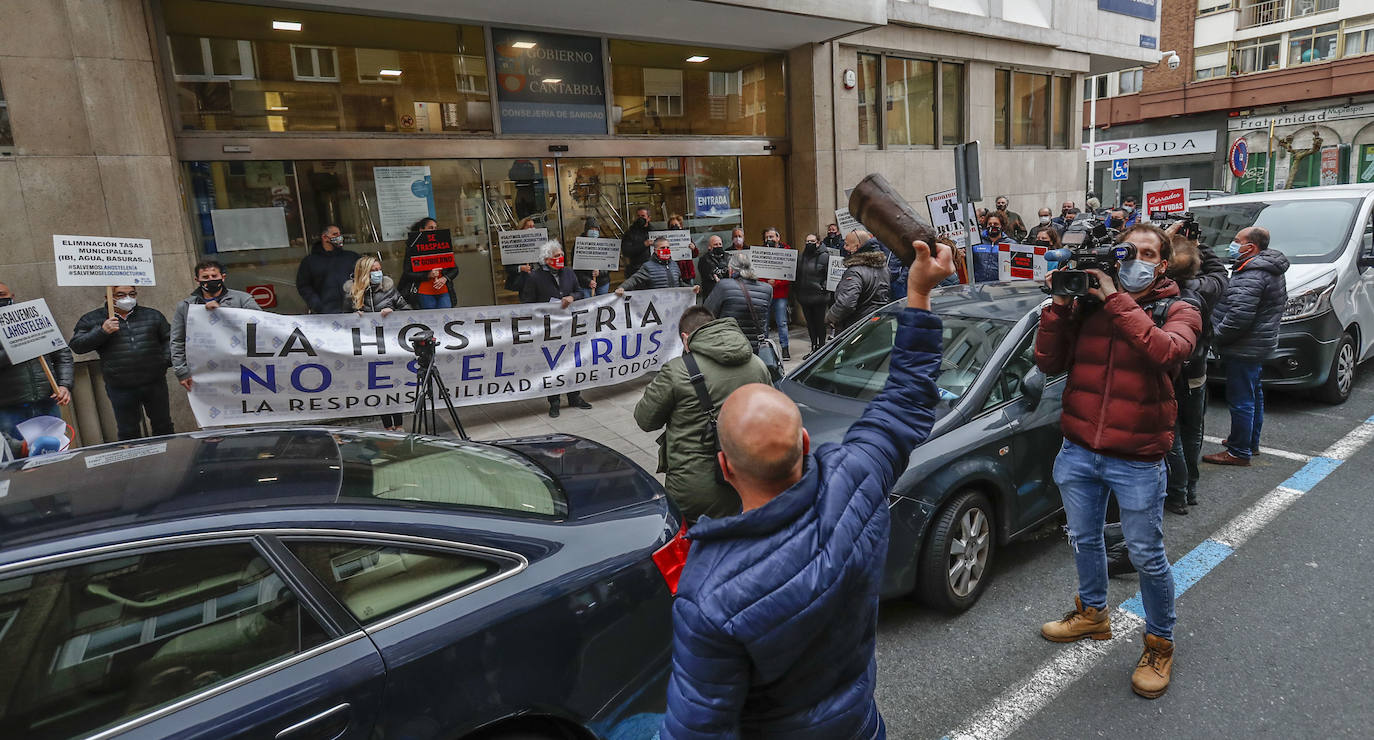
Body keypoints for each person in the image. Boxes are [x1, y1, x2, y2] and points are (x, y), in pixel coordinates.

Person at [659, 241, 952, 739]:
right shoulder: (853, 478)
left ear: (724, 467)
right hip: (859, 723)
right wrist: (918, 293)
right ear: (804, 442)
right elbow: (905, 402)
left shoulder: (709, 594)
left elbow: (696, 730)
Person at [1034, 223, 1200, 699]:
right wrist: (1060, 307)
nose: (1136, 260)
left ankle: (1159, 643)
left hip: (1138, 459)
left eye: (1148, 253)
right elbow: (1048, 362)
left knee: (1146, 555)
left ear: (1162, 264)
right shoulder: (1089, 307)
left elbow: (1166, 351)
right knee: (1084, 539)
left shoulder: (1179, 308)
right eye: (1129, 251)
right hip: (1080, 448)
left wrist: (1114, 300)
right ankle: (1092, 614)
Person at [634, 306, 772, 522]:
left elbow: (645, 419)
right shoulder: (757, 364)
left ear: (685, 338)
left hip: (692, 488)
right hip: (745, 479)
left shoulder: (677, 371)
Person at [1203, 226, 1288, 467]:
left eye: (1237, 240)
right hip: (1257, 343)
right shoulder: (1269, 269)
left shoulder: (1252, 273)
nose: (1233, 244)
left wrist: (1215, 336)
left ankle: (1238, 451)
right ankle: (1249, 442)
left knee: (1241, 399)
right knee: (1254, 393)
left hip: (1244, 346)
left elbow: (1239, 316)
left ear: (1251, 247)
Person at [1164, 234, 1228, 512]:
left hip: (1170, 372)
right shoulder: (1206, 288)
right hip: (1197, 371)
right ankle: (1189, 487)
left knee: (1173, 434)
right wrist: (1199, 244)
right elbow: (1219, 273)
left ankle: (1176, 492)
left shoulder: (1160, 293)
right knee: (1193, 431)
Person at [69, 285, 173, 440]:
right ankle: (135, 463)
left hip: (154, 382)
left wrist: (163, 362)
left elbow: (170, 340)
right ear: (108, 298)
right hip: (120, 385)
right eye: (121, 295)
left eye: (131, 294)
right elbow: (77, 345)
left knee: (163, 425)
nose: (127, 298)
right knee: (128, 430)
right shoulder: (92, 319)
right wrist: (102, 331)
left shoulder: (152, 315)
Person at [521, 241, 593, 418]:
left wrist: (571, 297)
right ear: (546, 259)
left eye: (561, 255)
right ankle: (554, 401)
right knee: (552, 365)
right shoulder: (535, 277)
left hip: (569, 326)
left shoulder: (569, 272)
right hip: (548, 329)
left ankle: (574, 397)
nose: (560, 258)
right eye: (556, 256)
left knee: (572, 361)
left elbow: (579, 292)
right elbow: (527, 303)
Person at [0, 282, 74, 445]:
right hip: (9, 408)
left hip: (46, 402)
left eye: (2, 295)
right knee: (18, 462)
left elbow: (62, 354)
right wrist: (13, 350)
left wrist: (64, 385)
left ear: (12, 296)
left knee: (54, 452)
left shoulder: (36, 318)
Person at [172, 261, 261, 391]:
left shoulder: (243, 299)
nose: (211, 280)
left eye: (214, 276)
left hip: (241, 365)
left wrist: (222, 311)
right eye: (206, 277)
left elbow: (261, 325)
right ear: (197, 280)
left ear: (223, 277)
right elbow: (177, 340)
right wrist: (181, 371)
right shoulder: (185, 306)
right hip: (204, 370)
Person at [344, 256, 410, 430]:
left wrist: (393, 311)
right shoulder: (352, 294)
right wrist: (352, 317)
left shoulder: (389, 290)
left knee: (393, 384)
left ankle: (399, 425)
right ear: (363, 273)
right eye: (373, 270)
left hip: (390, 346)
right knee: (378, 387)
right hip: (368, 349)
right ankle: (388, 426)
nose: (377, 273)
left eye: (379, 269)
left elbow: (409, 312)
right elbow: (340, 321)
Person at [704, 252, 772, 352]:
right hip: (757, 350)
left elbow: (707, 313)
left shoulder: (723, 286)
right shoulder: (767, 289)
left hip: (730, 347)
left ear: (731, 269)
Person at [826, 229, 891, 334]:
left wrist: (831, 317)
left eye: (847, 245)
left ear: (857, 247)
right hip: (879, 325)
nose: (844, 247)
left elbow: (846, 304)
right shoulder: (884, 267)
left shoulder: (854, 272)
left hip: (858, 330)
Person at [296, 224, 360, 314]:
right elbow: (304, 286)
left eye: (340, 234)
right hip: (325, 314)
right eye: (335, 234)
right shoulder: (310, 262)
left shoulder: (352, 257)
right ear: (325, 238)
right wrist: (316, 304)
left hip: (353, 312)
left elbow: (363, 278)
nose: (339, 237)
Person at [400, 217, 459, 309]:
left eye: (435, 228)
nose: (434, 230)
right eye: (431, 228)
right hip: (424, 292)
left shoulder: (442, 246)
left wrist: (445, 278)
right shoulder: (412, 248)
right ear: (421, 229)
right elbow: (407, 273)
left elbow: (454, 269)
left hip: (444, 291)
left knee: (446, 317)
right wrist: (427, 275)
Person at [793, 233, 834, 356]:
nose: (808, 244)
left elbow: (830, 275)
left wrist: (824, 287)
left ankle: (821, 348)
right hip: (805, 297)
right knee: (810, 324)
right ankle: (813, 347)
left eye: (811, 241)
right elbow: (797, 275)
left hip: (819, 297)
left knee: (819, 324)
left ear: (818, 242)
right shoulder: (801, 257)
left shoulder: (825, 257)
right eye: (807, 241)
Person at [758, 227, 795, 360]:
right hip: (765, 293)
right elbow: (757, 272)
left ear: (778, 238)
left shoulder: (786, 252)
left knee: (782, 322)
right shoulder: (761, 252)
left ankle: (785, 349)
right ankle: (766, 350)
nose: (769, 239)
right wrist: (766, 282)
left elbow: (789, 274)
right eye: (767, 237)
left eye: (772, 237)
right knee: (764, 323)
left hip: (780, 294)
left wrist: (776, 282)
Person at [618, 238, 689, 292]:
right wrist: (622, 288)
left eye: (668, 247)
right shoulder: (648, 266)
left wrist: (691, 288)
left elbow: (679, 282)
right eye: (662, 248)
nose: (666, 250)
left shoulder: (674, 265)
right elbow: (634, 279)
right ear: (655, 250)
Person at [573, 218, 610, 299]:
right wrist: (587, 281)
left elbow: (609, 264)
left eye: (596, 229)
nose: (594, 231)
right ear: (586, 230)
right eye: (591, 229)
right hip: (585, 285)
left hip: (602, 283)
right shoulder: (578, 245)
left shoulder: (603, 244)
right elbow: (576, 268)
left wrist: (600, 272)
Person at [503, 217, 538, 294]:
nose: (532, 229)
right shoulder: (513, 246)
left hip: (537, 281)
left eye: (533, 226)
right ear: (521, 229)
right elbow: (508, 268)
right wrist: (520, 268)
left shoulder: (538, 245)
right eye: (529, 227)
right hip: (522, 283)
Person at [696, 234, 731, 301]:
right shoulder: (704, 260)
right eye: (715, 244)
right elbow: (710, 275)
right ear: (709, 247)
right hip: (711, 295)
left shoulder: (728, 257)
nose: (718, 246)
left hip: (727, 293)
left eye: (720, 244)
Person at [621, 207, 654, 277]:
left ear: (649, 218)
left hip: (652, 268)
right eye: (638, 216)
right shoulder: (630, 233)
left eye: (643, 216)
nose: (640, 218)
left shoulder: (654, 232)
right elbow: (626, 251)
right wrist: (644, 245)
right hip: (636, 269)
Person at [667, 213, 697, 284]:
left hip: (687, 273)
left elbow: (695, 254)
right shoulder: (666, 239)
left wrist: (693, 248)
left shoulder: (686, 237)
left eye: (676, 225)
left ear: (681, 226)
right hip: (673, 273)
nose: (674, 227)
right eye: (672, 226)